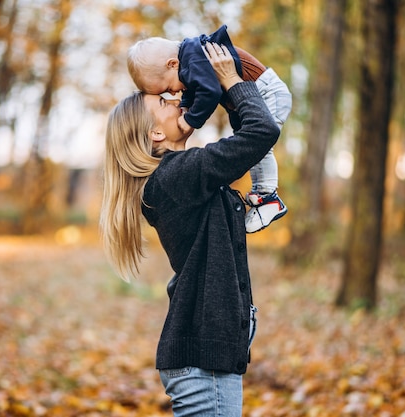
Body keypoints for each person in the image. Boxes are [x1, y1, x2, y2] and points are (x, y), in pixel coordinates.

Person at [100, 43, 281, 416]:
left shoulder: (174, 179)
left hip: (206, 356)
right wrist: (231, 81)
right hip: (203, 361)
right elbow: (262, 130)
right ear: (154, 135)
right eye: (165, 104)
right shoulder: (176, 177)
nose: (178, 102)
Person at [127, 25, 292, 233]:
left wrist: (192, 119)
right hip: (258, 93)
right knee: (257, 146)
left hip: (267, 93)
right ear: (155, 133)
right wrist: (192, 105)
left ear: (172, 64)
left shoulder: (193, 59)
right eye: (165, 98)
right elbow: (197, 89)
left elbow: (210, 92)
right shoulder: (190, 60)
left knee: (261, 149)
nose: (175, 97)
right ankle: (266, 196)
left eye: (168, 90)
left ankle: (268, 197)